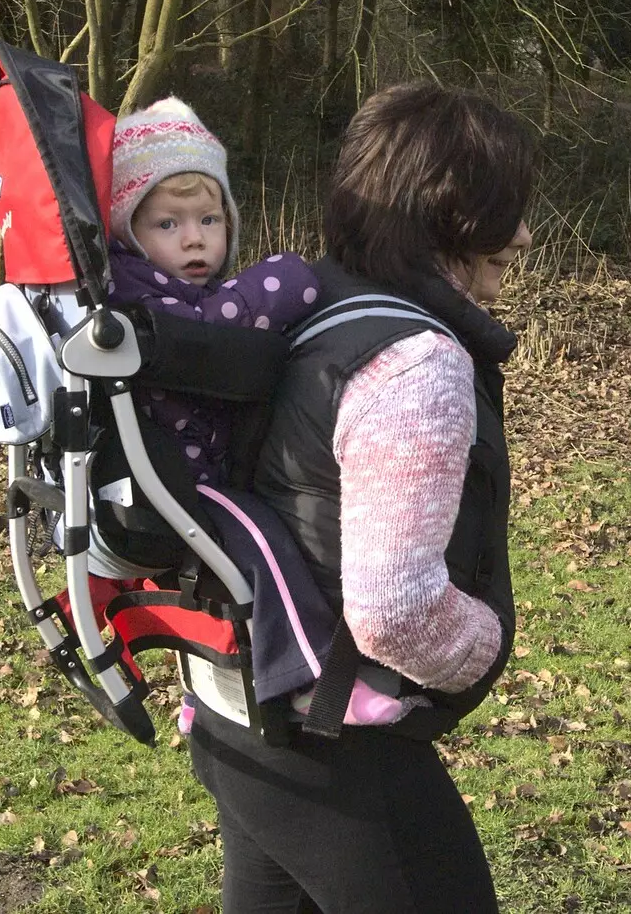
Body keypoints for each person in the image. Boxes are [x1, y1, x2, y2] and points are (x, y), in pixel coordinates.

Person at [189, 82, 535, 913]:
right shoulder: (415, 363)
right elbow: (391, 610)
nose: (524, 236)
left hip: (239, 709)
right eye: (508, 212)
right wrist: (484, 646)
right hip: (337, 750)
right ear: (451, 212)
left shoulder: (315, 308)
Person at [104, 96, 318, 485]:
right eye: (167, 224)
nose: (194, 239)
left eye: (209, 219)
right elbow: (206, 332)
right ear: (127, 231)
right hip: (175, 496)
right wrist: (294, 273)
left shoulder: (184, 286)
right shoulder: (132, 294)